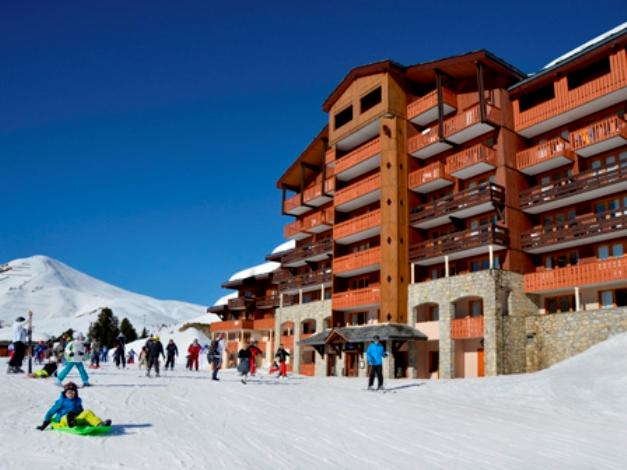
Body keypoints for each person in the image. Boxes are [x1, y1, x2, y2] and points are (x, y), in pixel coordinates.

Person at [36, 381, 111, 431]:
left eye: (72, 392)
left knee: (88, 412)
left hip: (76, 419)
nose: (71, 394)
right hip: (63, 420)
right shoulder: (61, 401)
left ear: (75, 393)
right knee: (69, 414)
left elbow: (81, 409)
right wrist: (45, 423)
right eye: (69, 392)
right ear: (65, 393)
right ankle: (71, 422)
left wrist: (86, 418)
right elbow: (51, 412)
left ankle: (99, 424)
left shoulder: (78, 400)